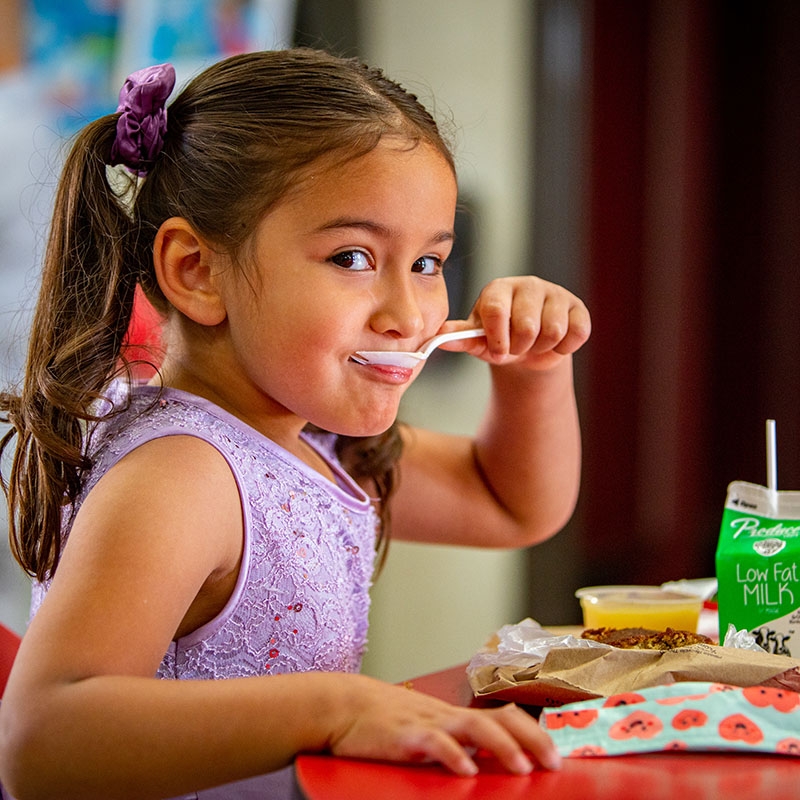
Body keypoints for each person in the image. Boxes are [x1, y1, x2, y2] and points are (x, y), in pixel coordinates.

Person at [0, 48, 590, 799]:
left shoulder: (300, 434)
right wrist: (337, 707)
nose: (408, 315)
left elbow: (508, 503)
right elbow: (40, 743)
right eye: (352, 257)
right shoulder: (183, 474)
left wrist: (534, 370)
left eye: (428, 264)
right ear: (195, 270)